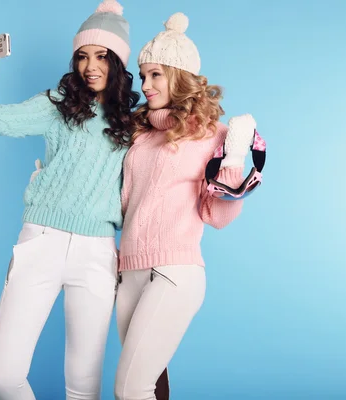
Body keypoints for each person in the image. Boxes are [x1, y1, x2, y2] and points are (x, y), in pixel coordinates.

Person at [0, 1, 140, 398]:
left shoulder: (134, 123)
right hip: (41, 240)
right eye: (82, 56)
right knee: (2, 373)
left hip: (97, 253)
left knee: (83, 386)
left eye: (102, 56)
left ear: (119, 62)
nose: (90, 66)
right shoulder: (57, 104)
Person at [114, 11, 257, 399]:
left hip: (173, 271)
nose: (145, 84)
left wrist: (234, 158)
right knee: (153, 387)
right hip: (129, 272)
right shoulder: (140, 133)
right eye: (142, 75)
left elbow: (219, 216)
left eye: (155, 74)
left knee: (130, 389)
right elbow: (124, 202)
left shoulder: (216, 133)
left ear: (179, 75)